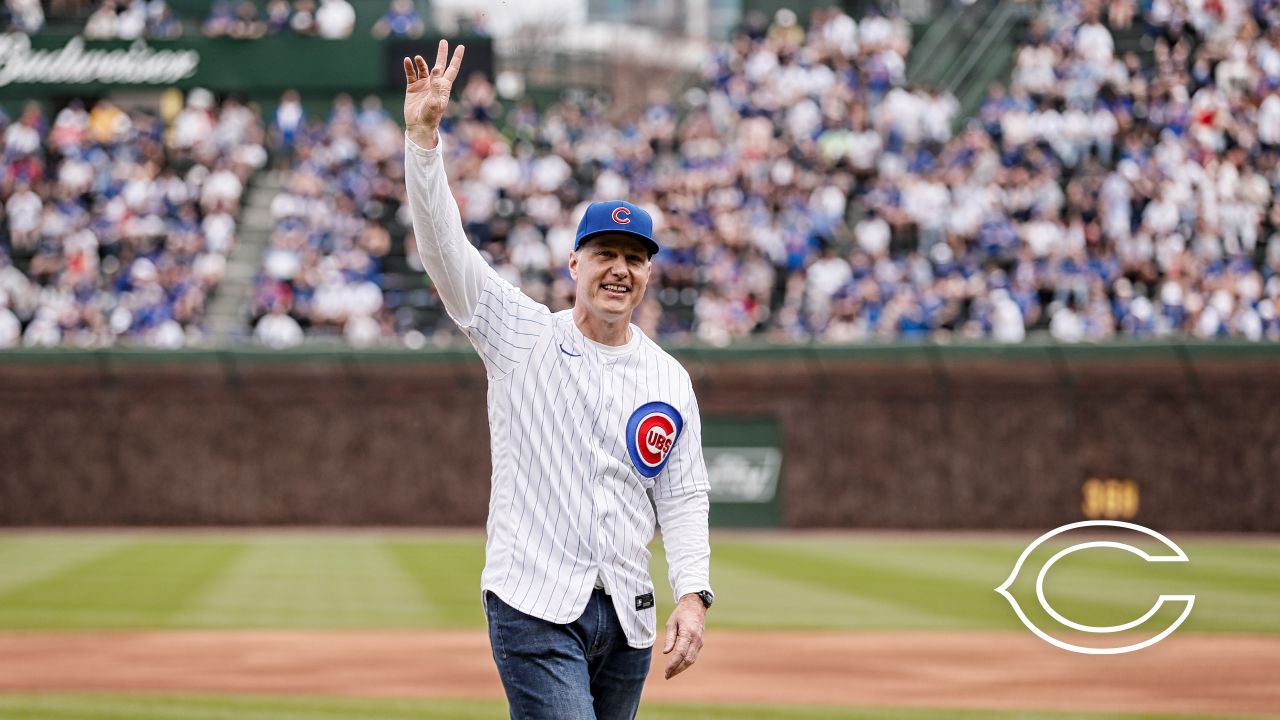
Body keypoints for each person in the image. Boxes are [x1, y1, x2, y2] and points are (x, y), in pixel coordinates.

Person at [402, 40, 714, 720]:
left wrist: (692, 594)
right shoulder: (522, 334)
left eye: (635, 258)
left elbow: (684, 495)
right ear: (574, 262)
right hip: (535, 606)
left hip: (629, 620)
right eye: (606, 253)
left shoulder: (668, 377)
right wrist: (424, 141)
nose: (620, 270)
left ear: (650, 273)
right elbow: (444, 250)